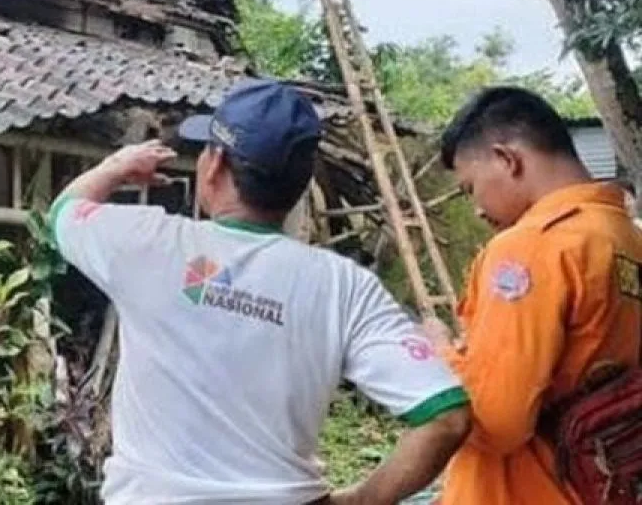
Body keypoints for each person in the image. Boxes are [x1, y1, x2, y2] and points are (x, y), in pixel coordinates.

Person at [48, 79, 471, 505]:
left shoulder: (143, 242)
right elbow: (446, 417)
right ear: (301, 183)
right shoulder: (345, 287)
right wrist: (360, 501)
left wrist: (115, 167)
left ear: (214, 165)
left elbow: (62, 214)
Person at [422, 86, 642, 505]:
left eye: (470, 188)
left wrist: (439, 353)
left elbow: (497, 420)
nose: (477, 209)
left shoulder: (529, 248)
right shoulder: (626, 238)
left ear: (507, 159)